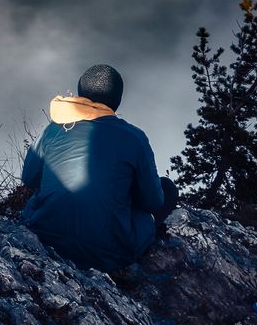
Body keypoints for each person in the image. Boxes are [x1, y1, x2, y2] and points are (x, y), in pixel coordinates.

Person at [20, 64, 178, 272]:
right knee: (166, 189)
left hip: (44, 236)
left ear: (80, 93)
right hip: (108, 254)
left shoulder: (55, 126)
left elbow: (29, 178)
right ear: (117, 102)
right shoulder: (134, 138)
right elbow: (153, 201)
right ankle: (125, 268)